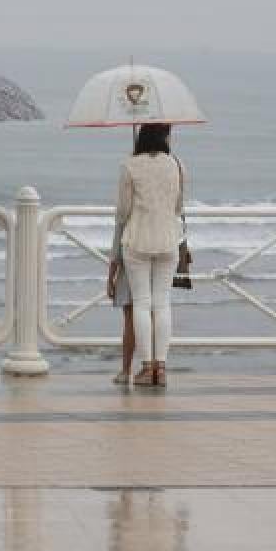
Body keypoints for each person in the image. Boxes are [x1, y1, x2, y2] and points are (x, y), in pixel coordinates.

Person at [107, 123, 183, 386]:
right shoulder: (176, 164)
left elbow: (123, 211)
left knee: (141, 303)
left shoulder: (129, 165)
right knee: (162, 303)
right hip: (168, 240)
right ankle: (160, 369)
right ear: (164, 137)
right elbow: (179, 205)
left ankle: (145, 366)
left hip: (137, 241)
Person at [106, 257, 138, 384]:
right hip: (160, 267)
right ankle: (154, 369)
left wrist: (110, 278)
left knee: (130, 320)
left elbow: (116, 252)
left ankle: (126, 370)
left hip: (131, 268)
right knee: (155, 316)